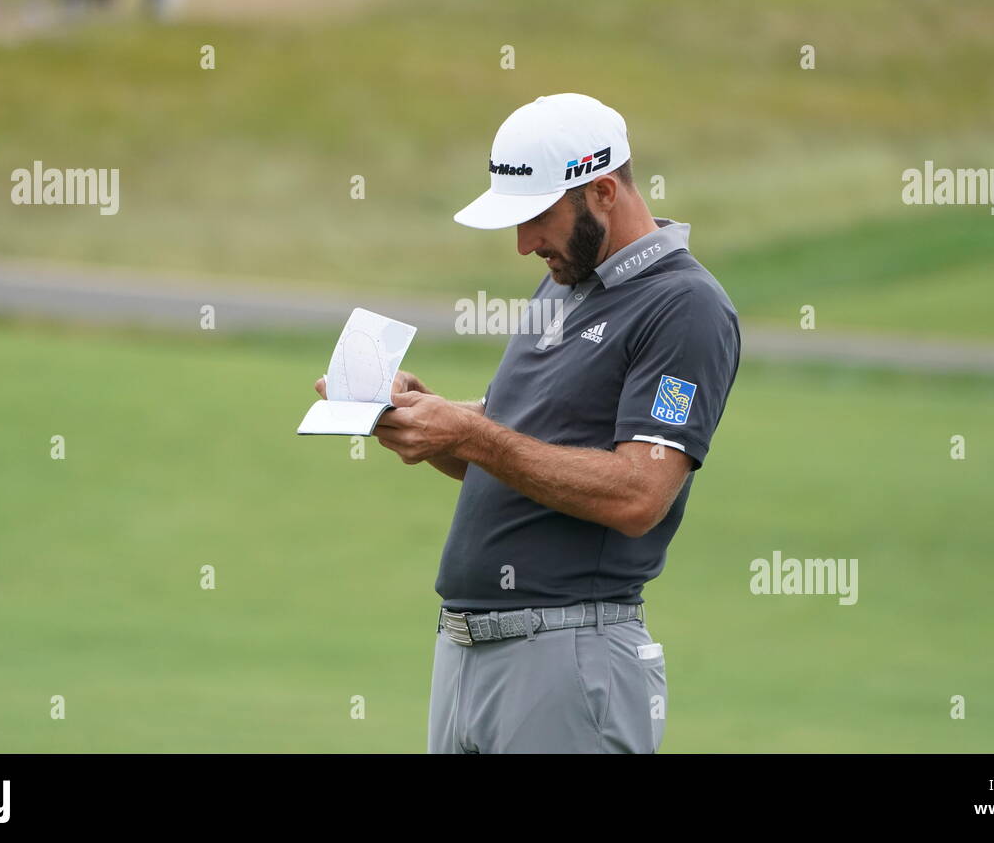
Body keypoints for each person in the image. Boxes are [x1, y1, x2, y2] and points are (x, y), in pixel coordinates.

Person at [317, 94, 741, 752]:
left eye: (537, 218)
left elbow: (639, 494)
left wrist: (469, 433)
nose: (522, 245)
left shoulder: (684, 308)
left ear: (602, 191)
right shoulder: (565, 282)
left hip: (567, 663)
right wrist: (426, 416)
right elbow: (513, 442)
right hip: (465, 659)